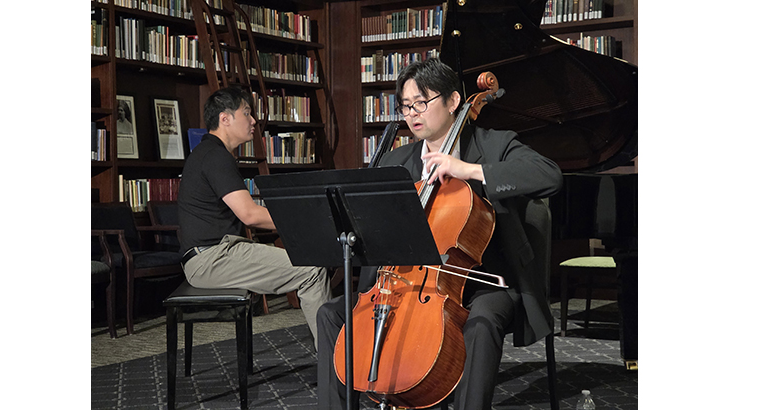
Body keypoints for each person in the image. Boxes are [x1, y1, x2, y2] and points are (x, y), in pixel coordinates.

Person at [315, 58, 563, 410]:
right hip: (405, 285)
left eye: (421, 102)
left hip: (482, 281)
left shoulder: (494, 145)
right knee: (331, 314)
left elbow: (549, 176)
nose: (412, 114)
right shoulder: (395, 162)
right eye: (405, 106)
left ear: (453, 101)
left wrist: (470, 170)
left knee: (480, 324)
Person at [177, 86, 332, 347]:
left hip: (214, 253)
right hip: (212, 258)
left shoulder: (209, 154)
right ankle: (336, 362)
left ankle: (334, 354)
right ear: (225, 119)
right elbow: (249, 215)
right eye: (247, 113)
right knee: (313, 270)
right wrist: (308, 224)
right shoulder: (215, 157)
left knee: (310, 262)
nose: (253, 121)